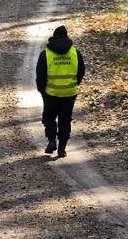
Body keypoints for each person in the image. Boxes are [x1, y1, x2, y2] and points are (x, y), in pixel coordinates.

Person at [36, 25, 85, 157]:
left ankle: (52, 140)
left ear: (55, 36)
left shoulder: (45, 54)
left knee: (49, 117)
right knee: (65, 120)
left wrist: (42, 90)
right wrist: (74, 84)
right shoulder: (75, 53)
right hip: (69, 93)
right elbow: (81, 71)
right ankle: (62, 147)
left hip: (50, 93)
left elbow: (40, 75)